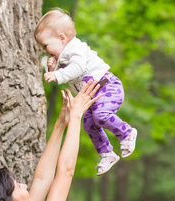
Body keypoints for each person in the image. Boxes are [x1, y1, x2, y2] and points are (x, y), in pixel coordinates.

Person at [34, 8, 137, 176]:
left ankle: (127, 132)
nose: (44, 51)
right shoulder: (63, 56)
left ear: (62, 38)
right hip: (93, 96)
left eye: (45, 45)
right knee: (89, 124)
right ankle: (107, 154)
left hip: (107, 87)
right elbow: (67, 71)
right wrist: (53, 67)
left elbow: (78, 68)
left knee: (101, 115)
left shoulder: (75, 49)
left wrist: (57, 74)